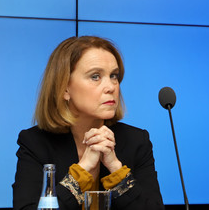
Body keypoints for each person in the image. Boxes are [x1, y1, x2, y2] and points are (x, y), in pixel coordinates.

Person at [12, 36, 164, 210]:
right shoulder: (35, 143)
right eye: (95, 76)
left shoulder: (136, 141)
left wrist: (116, 168)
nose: (111, 87)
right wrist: (81, 172)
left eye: (114, 75)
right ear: (64, 89)